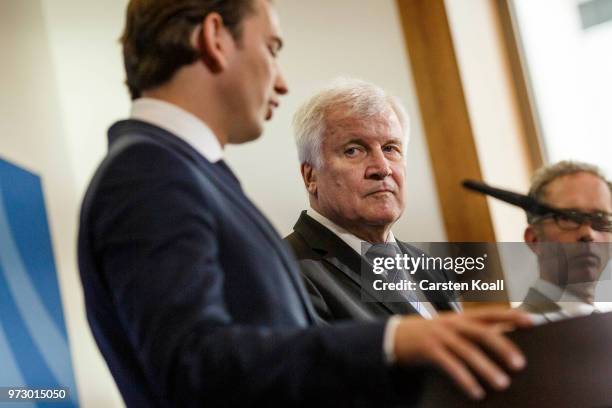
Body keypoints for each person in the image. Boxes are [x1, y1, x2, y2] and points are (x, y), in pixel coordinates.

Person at [78, 0, 531, 406]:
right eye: (272, 47)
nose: (281, 80)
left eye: (391, 149)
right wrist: (392, 341)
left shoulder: (185, 172)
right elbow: (193, 366)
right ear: (215, 37)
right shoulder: (148, 172)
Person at [285, 78, 460, 322]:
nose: (382, 168)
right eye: (353, 150)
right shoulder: (286, 271)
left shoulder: (430, 266)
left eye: (390, 148)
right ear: (310, 175)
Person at [520, 161, 612, 322]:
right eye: (568, 218)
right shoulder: (506, 336)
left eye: (600, 219)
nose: (588, 233)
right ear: (534, 239)